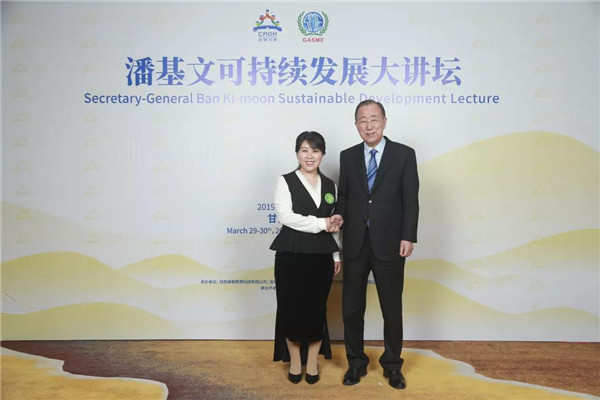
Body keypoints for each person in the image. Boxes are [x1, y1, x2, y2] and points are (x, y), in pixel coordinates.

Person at [332, 100, 419, 389]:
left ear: (384, 122)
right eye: (362, 120)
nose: (368, 126)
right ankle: (355, 363)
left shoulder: (404, 154)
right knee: (351, 309)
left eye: (374, 119)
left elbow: (410, 199)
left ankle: (393, 365)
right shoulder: (347, 156)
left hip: (391, 244)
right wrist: (339, 215)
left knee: (391, 309)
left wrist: (408, 236)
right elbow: (344, 195)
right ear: (356, 124)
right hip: (355, 243)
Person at [270, 131, 343, 385]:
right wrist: (321, 223)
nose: (309, 156)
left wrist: (335, 254)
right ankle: (295, 361)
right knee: (290, 309)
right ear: (297, 153)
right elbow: (286, 216)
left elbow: (334, 225)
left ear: (322, 154)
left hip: (322, 257)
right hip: (291, 255)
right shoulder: (285, 181)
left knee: (316, 310)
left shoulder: (331, 185)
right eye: (304, 150)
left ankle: (312, 362)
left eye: (315, 150)